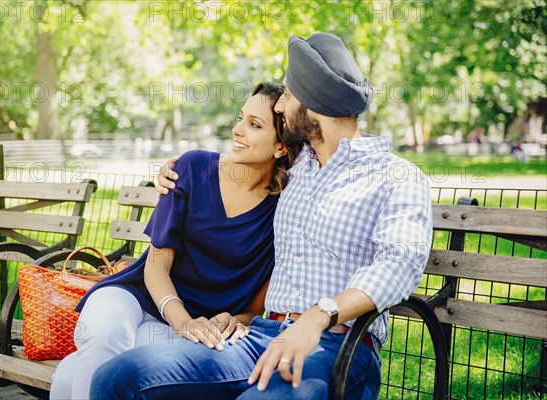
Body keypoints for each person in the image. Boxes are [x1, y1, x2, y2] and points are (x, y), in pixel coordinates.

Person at [90, 32, 433, 399]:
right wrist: (180, 171)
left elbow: (400, 264)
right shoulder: (295, 170)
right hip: (259, 336)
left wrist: (319, 316)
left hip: (338, 348)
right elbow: (235, 162)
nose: (280, 107)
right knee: (117, 377)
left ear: (313, 102)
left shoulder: (395, 176)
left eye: (286, 95)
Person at [49, 82, 298, 399]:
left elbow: (253, 307)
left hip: (198, 330)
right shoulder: (192, 169)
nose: (237, 130)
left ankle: (71, 377)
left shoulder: (283, 211)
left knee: (90, 374)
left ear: (280, 147)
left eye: (254, 125)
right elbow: (156, 266)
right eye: (240, 118)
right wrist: (183, 323)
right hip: (139, 297)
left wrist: (229, 321)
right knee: (104, 333)